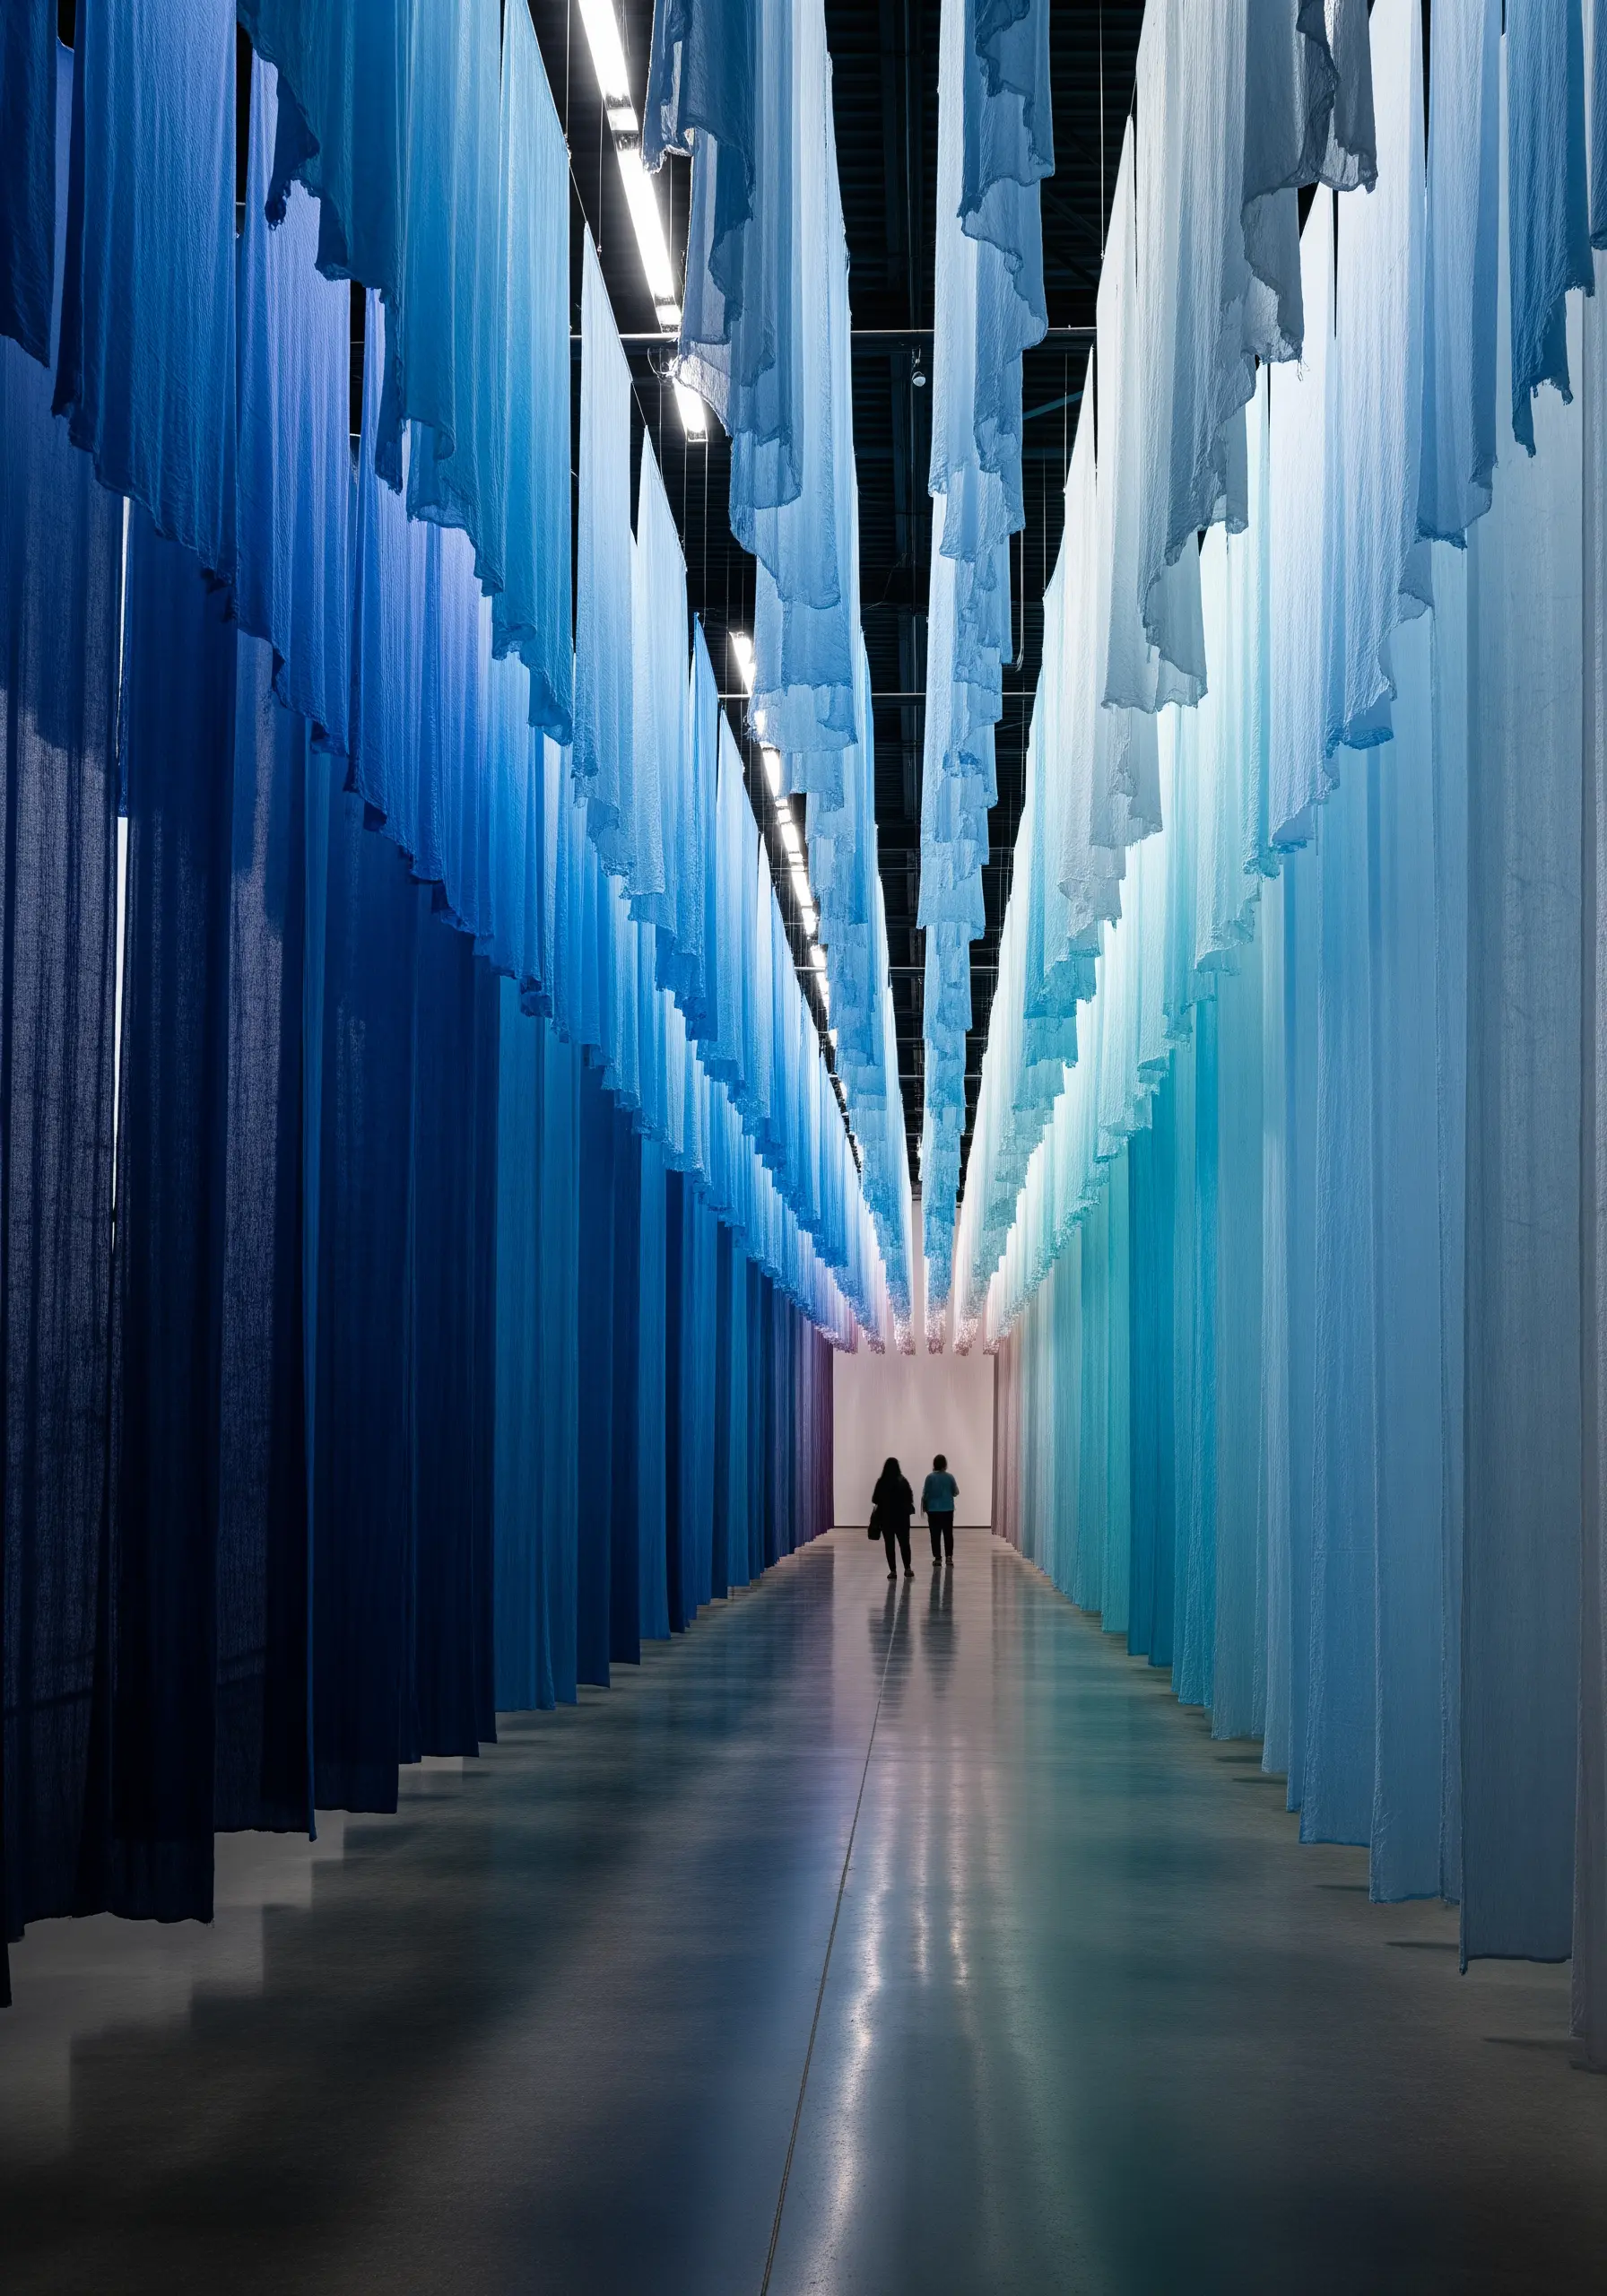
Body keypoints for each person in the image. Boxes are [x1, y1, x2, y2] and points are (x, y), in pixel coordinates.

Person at [870, 1457, 916, 1579]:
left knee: (889, 1544)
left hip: (886, 1518)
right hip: (902, 1518)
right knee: (904, 1544)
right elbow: (910, 1498)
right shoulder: (903, 1481)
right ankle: (907, 1568)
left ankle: (893, 1571)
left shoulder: (881, 1482)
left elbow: (875, 1499)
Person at [921, 1454, 960, 1567]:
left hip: (933, 1510)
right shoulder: (950, 1477)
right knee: (948, 1534)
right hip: (948, 1509)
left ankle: (937, 1558)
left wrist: (925, 1506)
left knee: (935, 1534)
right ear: (945, 1464)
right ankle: (949, 1557)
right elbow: (956, 1492)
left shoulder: (929, 1477)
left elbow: (925, 1494)